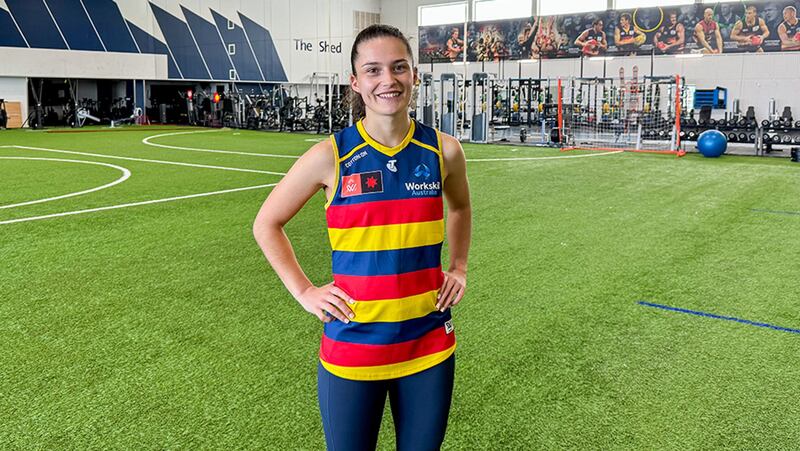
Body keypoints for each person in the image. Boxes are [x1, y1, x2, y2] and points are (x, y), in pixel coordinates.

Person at [252, 24, 472, 451]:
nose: (387, 80)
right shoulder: (329, 156)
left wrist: (459, 267)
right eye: (373, 70)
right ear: (355, 82)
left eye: (398, 67)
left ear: (415, 75)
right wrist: (304, 291)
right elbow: (266, 223)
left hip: (427, 344)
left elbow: (460, 208)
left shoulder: (444, 151)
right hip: (352, 347)